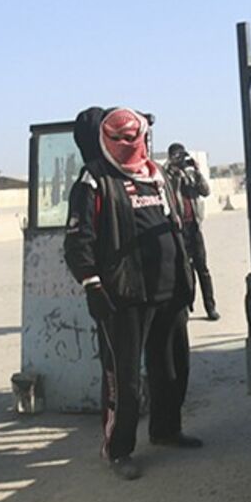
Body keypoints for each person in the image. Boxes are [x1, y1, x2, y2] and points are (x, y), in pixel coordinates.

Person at [64, 107, 202, 481]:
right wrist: (92, 283)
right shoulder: (94, 181)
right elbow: (78, 242)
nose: (128, 144)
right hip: (123, 298)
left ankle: (167, 430)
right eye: (119, 139)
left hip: (170, 291)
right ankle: (119, 449)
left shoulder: (157, 175)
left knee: (172, 368)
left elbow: (179, 224)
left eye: (133, 137)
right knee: (124, 380)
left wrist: (190, 278)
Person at [164, 142, 218, 321]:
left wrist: (196, 171)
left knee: (203, 269)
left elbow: (206, 191)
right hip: (178, 230)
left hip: (194, 226)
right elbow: (167, 192)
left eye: (182, 156)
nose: (181, 160)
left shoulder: (191, 173)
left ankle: (210, 307)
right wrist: (176, 172)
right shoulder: (168, 174)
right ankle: (187, 306)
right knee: (185, 270)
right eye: (177, 156)